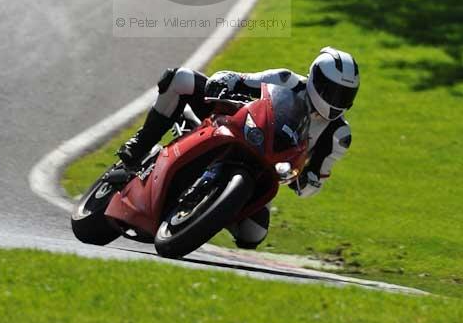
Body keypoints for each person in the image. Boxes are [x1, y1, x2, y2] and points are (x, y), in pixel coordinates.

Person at [118, 46, 359, 250]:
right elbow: (239, 79)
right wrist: (224, 82)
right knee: (180, 78)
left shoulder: (339, 135)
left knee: (252, 234)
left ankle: (208, 210)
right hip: (236, 129)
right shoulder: (286, 81)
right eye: (333, 91)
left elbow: (316, 177)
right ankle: (141, 146)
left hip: (264, 170)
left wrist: (308, 182)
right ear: (316, 79)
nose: (337, 101)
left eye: (345, 95)